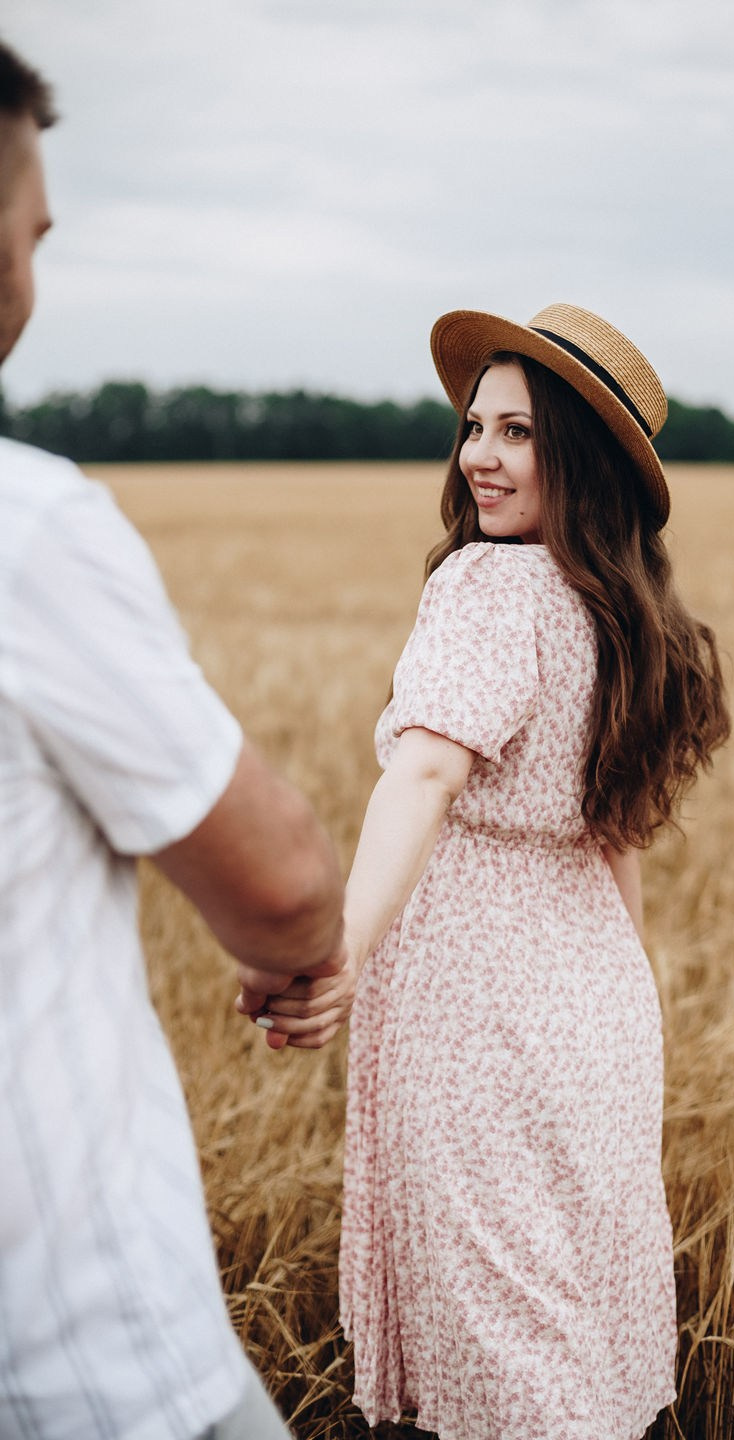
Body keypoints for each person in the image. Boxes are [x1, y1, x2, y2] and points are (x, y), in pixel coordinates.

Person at [247, 303, 731, 1438]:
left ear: (579, 454)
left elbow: (421, 777)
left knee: (514, 1362)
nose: (479, 455)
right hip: (599, 1016)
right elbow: (613, 837)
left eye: (517, 432)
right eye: (476, 425)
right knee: (578, 1339)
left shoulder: (488, 587)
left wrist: (342, 954)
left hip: (480, 1027)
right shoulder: (626, 613)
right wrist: (634, 1000)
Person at [0, 40, 345, 1440]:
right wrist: (295, 956)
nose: (33, 271)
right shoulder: (27, 530)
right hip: (80, 1359)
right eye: (29, 232)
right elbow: (280, 882)